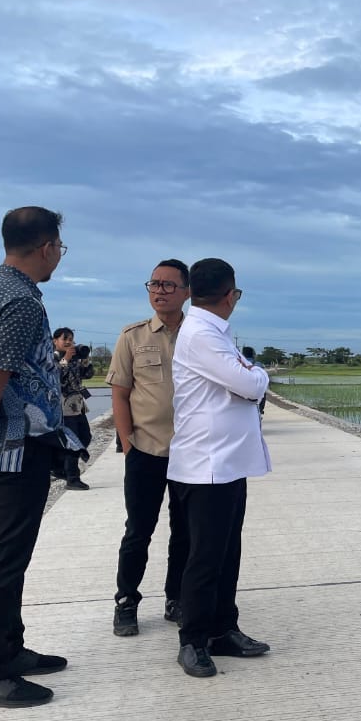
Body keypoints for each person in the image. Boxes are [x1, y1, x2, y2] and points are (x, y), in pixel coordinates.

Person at [0, 207, 82, 707]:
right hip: (16, 449)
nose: (58, 259)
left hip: (4, 446)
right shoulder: (21, 301)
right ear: (46, 246)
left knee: (11, 555)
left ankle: (9, 650)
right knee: (3, 559)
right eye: (59, 249)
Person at [168, 257, 272, 678]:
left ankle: (223, 628)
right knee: (204, 557)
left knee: (227, 552)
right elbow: (250, 384)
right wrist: (256, 375)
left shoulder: (213, 333)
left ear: (192, 290)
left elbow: (243, 383)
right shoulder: (200, 334)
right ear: (232, 295)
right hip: (204, 464)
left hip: (227, 462)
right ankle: (193, 639)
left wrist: (249, 377)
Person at [108, 259, 192, 636]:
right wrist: (128, 445)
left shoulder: (200, 335)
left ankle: (177, 597)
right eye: (154, 284)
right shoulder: (133, 336)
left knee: (185, 530)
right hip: (145, 451)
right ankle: (126, 601)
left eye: (168, 285)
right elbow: (120, 395)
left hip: (191, 452)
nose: (159, 291)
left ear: (187, 292)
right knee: (138, 530)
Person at [52, 326, 94, 490]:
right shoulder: (52, 358)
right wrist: (66, 359)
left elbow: (87, 375)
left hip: (77, 405)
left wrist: (85, 360)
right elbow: (55, 378)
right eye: (65, 339)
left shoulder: (74, 358)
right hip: (62, 406)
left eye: (71, 339)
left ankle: (58, 466)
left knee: (85, 437)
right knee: (73, 441)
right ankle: (72, 477)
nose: (69, 342)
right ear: (55, 341)